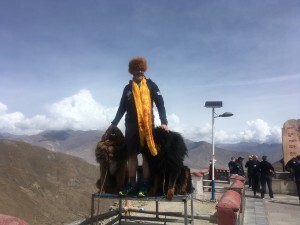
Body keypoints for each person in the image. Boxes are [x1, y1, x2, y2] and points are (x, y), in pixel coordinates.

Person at [111, 57, 168, 197]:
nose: (140, 71)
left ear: (144, 69)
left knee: (146, 156)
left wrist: (164, 122)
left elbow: (161, 104)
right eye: (137, 69)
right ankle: (131, 184)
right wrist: (113, 124)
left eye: (142, 69)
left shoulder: (151, 85)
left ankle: (145, 184)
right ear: (132, 71)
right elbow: (121, 107)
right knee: (131, 155)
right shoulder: (127, 88)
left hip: (148, 127)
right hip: (130, 127)